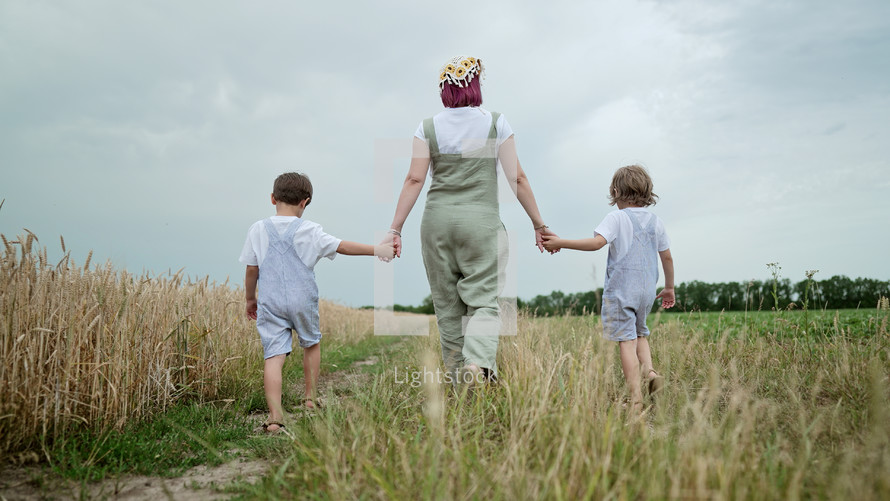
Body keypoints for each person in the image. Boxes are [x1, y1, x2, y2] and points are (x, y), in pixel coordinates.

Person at [384, 55, 556, 385]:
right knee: (485, 304)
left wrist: (395, 228)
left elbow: (414, 180)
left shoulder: (427, 127)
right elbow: (516, 178)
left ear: (443, 89)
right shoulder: (495, 123)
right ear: (476, 84)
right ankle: (477, 363)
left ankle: (459, 385)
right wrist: (539, 223)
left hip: (436, 226)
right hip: (481, 225)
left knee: (447, 310)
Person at [240, 172, 394, 433]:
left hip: (270, 301)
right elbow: (342, 246)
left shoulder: (257, 229)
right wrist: (378, 250)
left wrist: (249, 299)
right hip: (303, 299)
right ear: (305, 202)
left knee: (274, 355)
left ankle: (275, 416)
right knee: (311, 343)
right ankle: (310, 399)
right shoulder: (310, 230)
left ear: (272, 198)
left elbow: (252, 269)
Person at [542, 165, 675, 415]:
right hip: (647, 291)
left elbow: (596, 244)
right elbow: (666, 257)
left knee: (626, 342)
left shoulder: (616, 218)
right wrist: (669, 288)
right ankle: (652, 373)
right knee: (641, 335)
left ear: (615, 191)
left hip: (622, 292)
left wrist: (560, 242)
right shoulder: (656, 222)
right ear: (647, 191)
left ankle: (636, 400)